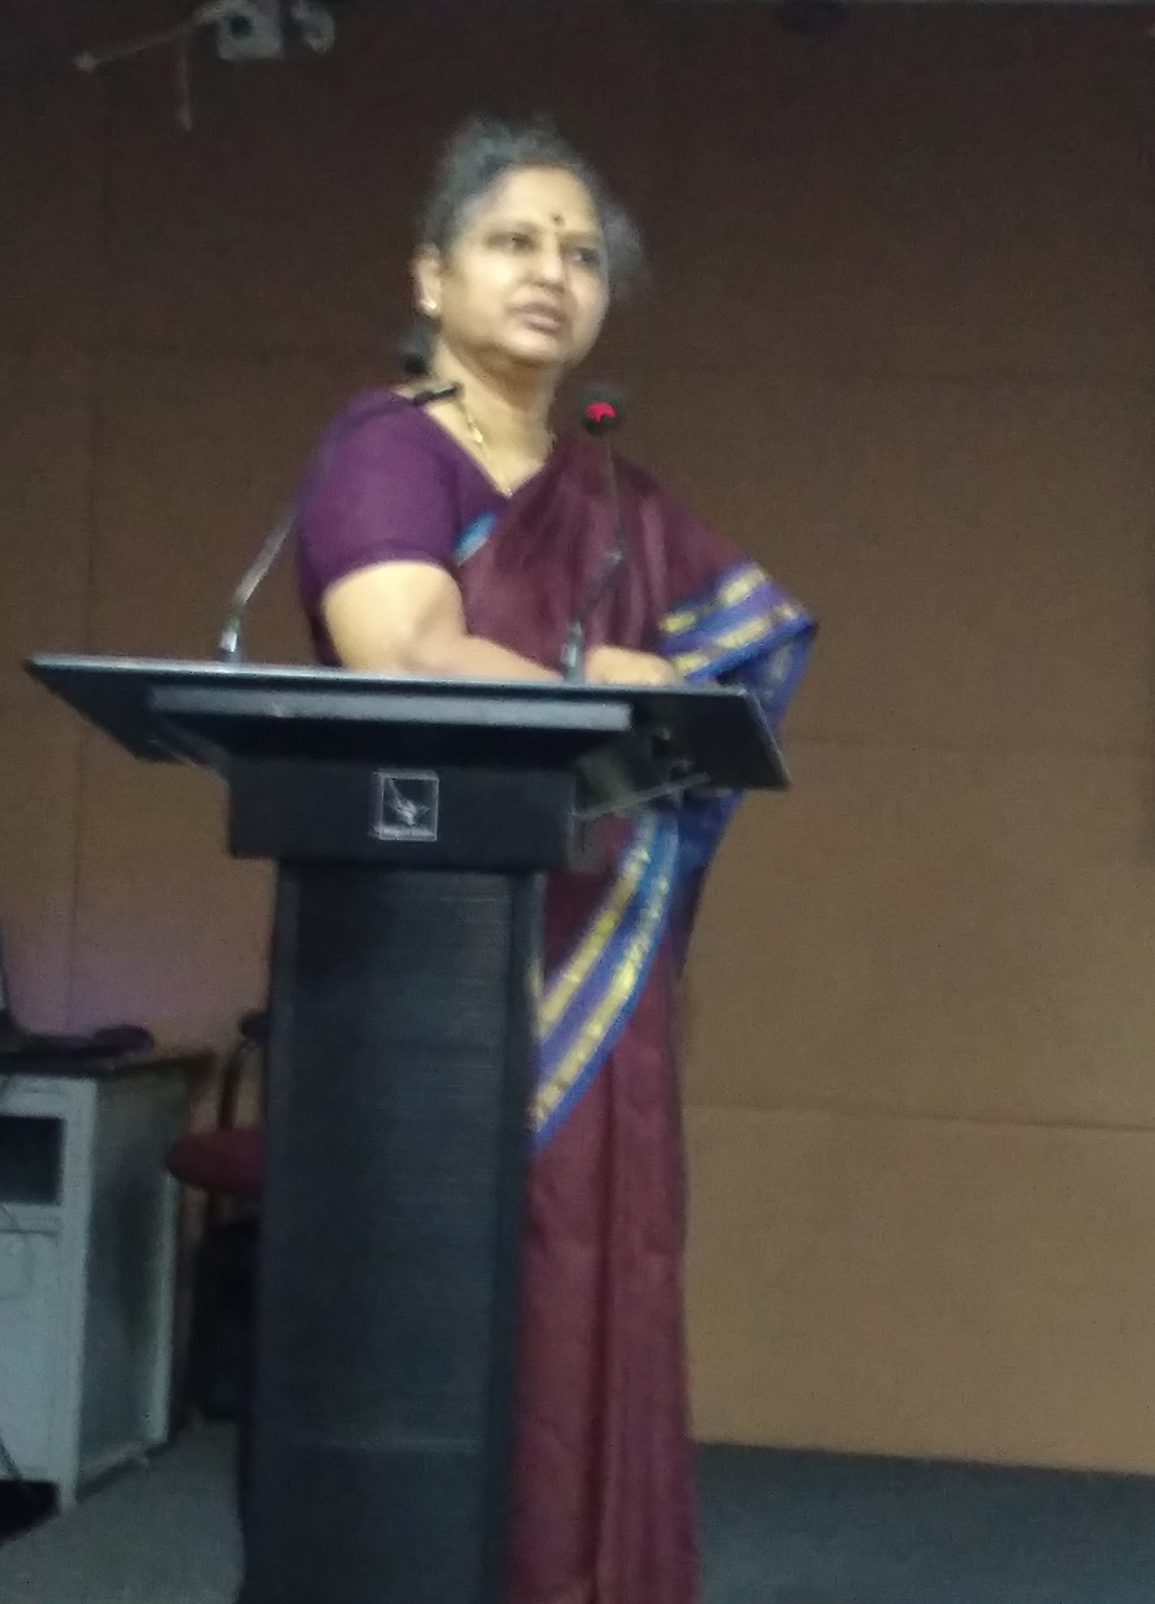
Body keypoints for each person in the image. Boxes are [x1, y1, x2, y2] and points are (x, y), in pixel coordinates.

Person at [294, 115, 815, 1604]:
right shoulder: (387, 449)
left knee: (596, 1271)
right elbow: (403, 650)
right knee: (449, 1321)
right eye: (513, 241)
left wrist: (658, 689)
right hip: (429, 968)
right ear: (432, 275)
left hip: (596, 949)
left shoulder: (619, 500)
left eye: (582, 254)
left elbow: (733, 664)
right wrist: (606, 680)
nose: (552, 273)